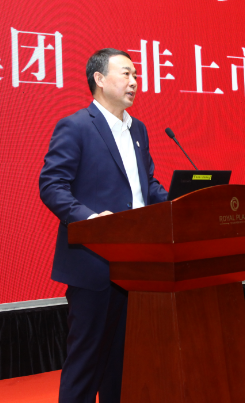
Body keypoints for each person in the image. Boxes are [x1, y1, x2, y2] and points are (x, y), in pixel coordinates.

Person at [39, 48, 168, 403]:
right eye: (126, 73)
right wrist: (89, 219)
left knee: (122, 366)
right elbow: (52, 185)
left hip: (137, 266)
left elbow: (145, 186)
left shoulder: (138, 129)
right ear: (98, 78)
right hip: (94, 263)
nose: (134, 82)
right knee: (86, 364)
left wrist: (181, 201)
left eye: (136, 75)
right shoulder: (76, 126)